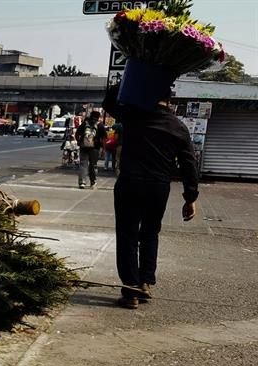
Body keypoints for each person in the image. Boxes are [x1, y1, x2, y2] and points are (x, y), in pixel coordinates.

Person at [104, 89, 198, 309]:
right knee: (150, 233)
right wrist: (190, 197)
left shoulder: (134, 115)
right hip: (158, 187)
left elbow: (109, 102)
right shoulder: (178, 126)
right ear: (170, 101)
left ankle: (131, 290)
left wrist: (126, 81)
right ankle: (145, 282)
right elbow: (188, 164)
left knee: (127, 234)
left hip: (130, 183)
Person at [75, 110, 106, 189]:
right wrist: (103, 149)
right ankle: (93, 182)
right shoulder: (100, 126)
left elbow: (77, 134)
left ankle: (82, 182)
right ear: (98, 117)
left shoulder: (85, 124)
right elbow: (104, 138)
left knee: (83, 164)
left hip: (84, 147)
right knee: (93, 165)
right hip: (95, 148)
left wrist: (79, 142)